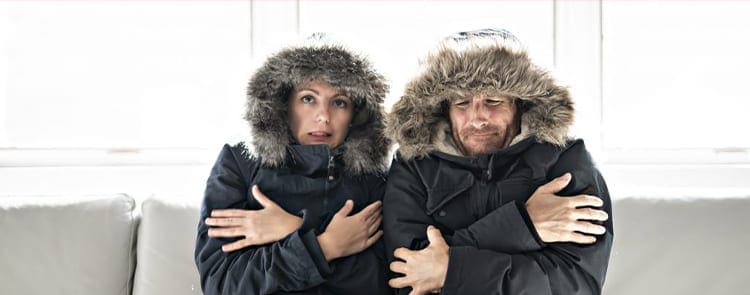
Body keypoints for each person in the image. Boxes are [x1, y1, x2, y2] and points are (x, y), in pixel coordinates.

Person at [383, 29, 613, 294]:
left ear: (520, 104)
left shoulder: (565, 160)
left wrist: (450, 269)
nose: (478, 118)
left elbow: (576, 285)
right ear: (443, 109)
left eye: (493, 101)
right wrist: (523, 224)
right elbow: (409, 278)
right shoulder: (413, 165)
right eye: (462, 103)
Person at [194, 37, 392, 294]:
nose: (323, 116)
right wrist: (326, 245)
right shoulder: (240, 163)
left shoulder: (371, 177)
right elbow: (220, 282)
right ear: (283, 103)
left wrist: (293, 227)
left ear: (356, 114)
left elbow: (384, 284)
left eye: (339, 102)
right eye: (308, 99)